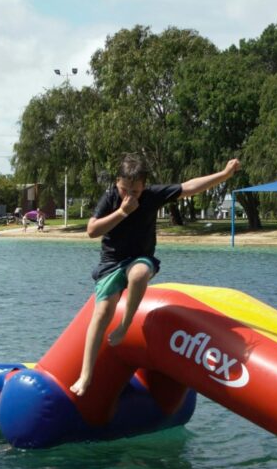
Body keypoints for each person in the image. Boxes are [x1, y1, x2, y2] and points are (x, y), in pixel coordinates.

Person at [69, 153, 241, 397]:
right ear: (117, 181)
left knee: (139, 275)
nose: (129, 196)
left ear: (144, 186)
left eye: (135, 192)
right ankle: (86, 375)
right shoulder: (110, 198)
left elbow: (189, 187)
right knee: (101, 313)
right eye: (124, 189)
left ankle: (126, 324)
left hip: (140, 258)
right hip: (111, 263)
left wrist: (223, 175)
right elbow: (92, 230)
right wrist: (122, 212)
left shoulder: (151, 196)